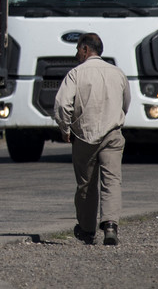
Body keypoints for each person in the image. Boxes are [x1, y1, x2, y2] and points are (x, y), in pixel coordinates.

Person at [53, 32, 130, 246]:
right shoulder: (118, 73)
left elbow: (62, 105)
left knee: (86, 184)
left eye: (78, 48)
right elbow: (126, 103)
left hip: (84, 135)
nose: (76, 53)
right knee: (112, 180)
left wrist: (65, 128)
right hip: (113, 134)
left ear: (86, 49)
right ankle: (110, 226)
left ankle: (87, 230)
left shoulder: (76, 74)